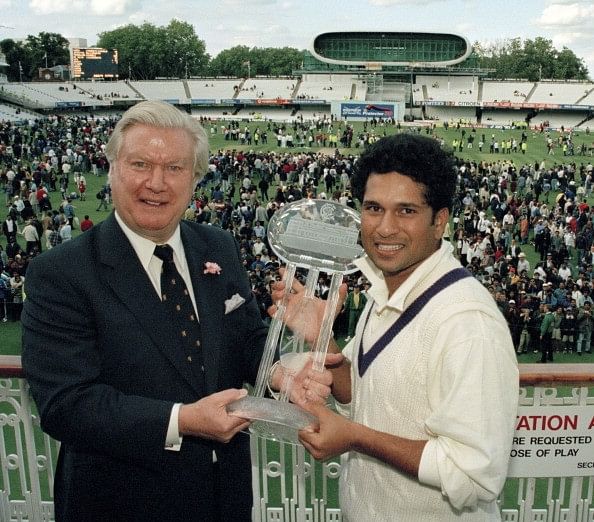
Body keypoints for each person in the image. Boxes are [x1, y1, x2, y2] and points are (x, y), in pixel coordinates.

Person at [21, 101, 331, 522]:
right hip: (120, 502)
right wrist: (182, 421)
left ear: (196, 178)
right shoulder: (61, 272)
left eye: (175, 168)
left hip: (225, 497)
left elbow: (245, 339)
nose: (156, 183)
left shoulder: (217, 245)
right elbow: (66, 405)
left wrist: (280, 371)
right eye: (140, 164)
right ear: (111, 168)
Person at [274, 134, 519, 521]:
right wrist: (325, 341)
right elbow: (366, 394)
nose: (385, 228)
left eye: (406, 211)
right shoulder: (387, 289)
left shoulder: (467, 321)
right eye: (374, 208)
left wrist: (355, 437)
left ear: (440, 221)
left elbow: (474, 473)